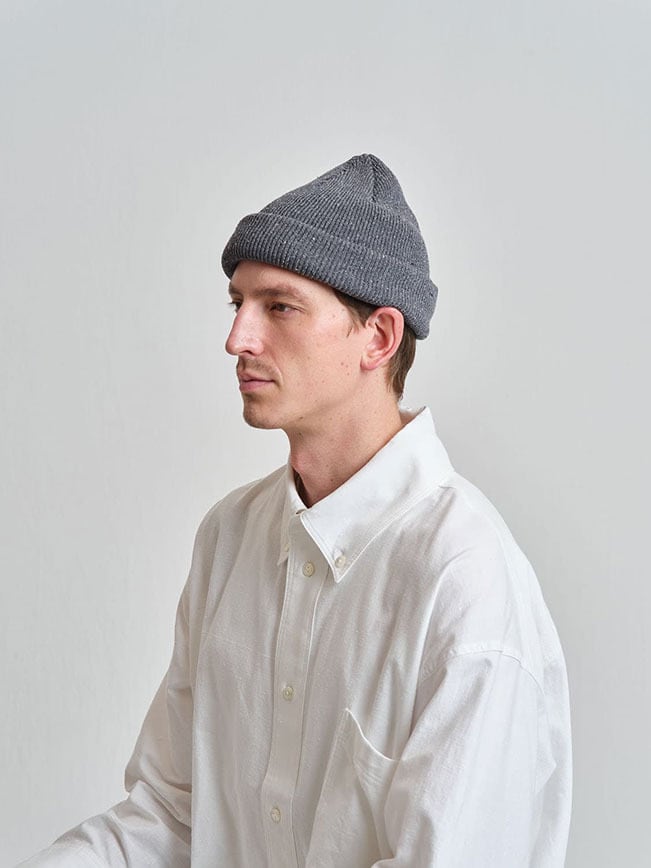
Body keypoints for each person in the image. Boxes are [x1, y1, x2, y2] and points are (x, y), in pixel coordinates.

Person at [21, 154, 572, 867]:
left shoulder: (464, 579)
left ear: (379, 337)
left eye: (278, 306)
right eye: (237, 304)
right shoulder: (229, 537)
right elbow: (171, 820)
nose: (238, 339)